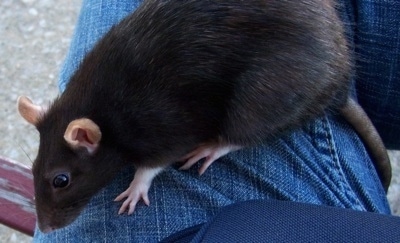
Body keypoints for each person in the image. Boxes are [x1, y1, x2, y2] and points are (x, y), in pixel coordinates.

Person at [34, 0, 400, 242]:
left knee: (241, 122)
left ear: (85, 135)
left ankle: (232, 142)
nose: (46, 222)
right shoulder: (94, 96)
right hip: (290, 38)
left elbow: (173, 135)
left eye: (61, 182)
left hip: (294, 63)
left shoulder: (126, 118)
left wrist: (143, 178)